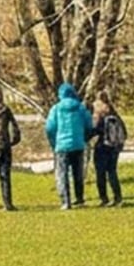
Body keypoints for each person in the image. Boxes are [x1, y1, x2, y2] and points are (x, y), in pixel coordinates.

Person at [44, 82, 93, 210]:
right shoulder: (81, 108)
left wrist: (53, 141)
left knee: (62, 174)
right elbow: (89, 124)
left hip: (61, 146)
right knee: (78, 173)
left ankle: (66, 201)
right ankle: (79, 198)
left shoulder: (56, 109)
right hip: (78, 144)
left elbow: (50, 127)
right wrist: (84, 137)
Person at [91, 91, 126, 207]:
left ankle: (104, 198)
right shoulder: (115, 115)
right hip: (114, 148)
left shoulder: (100, 114)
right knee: (112, 172)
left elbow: (94, 130)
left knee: (100, 173)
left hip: (102, 147)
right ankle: (118, 197)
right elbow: (124, 132)